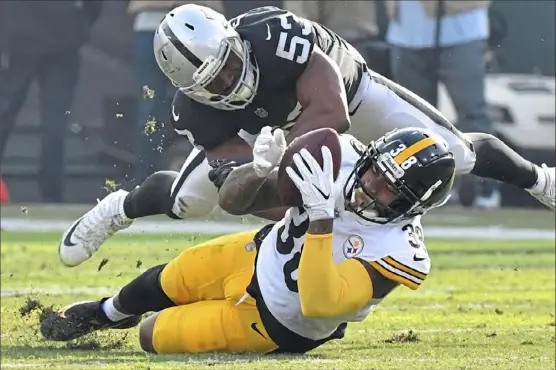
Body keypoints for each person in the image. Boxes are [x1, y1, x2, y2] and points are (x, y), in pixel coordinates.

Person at [57, 4, 554, 268]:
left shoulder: (275, 36)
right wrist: (267, 175)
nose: (229, 83)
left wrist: (291, 154)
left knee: (454, 153)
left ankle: (541, 181)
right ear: (190, 91)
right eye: (212, 84)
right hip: (260, 136)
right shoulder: (197, 112)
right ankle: (118, 209)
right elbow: (246, 200)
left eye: (228, 67)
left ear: (234, 41)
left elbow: (333, 112)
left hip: (350, 96)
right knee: (190, 202)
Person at [42, 126, 455, 354]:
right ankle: (108, 313)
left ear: (412, 204)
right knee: (170, 278)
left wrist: (321, 218)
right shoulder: (339, 156)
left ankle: (133, 321)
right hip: (258, 252)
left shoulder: (401, 250)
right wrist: (258, 171)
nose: (369, 186)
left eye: (387, 188)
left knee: (154, 336)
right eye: (373, 171)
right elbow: (235, 202)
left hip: (277, 322)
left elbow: (320, 302)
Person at [386, 0, 500, 208]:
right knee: (413, 117)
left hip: (461, 28)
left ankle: (482, 185)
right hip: (405, 30)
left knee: (471, 112)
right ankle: (420, 187)